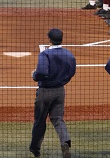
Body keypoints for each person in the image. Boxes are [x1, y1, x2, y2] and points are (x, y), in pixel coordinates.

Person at [30, 28, 76, 158]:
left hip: (45, 92)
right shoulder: (69, 54)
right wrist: (62, 81)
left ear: (49, 39)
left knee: (40, 120)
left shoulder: (45, 54)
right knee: (57, 119)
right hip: (60, 91)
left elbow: (42, 72)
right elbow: (71, 71)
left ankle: (35, 148)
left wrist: (34, 75)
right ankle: (65, 141)